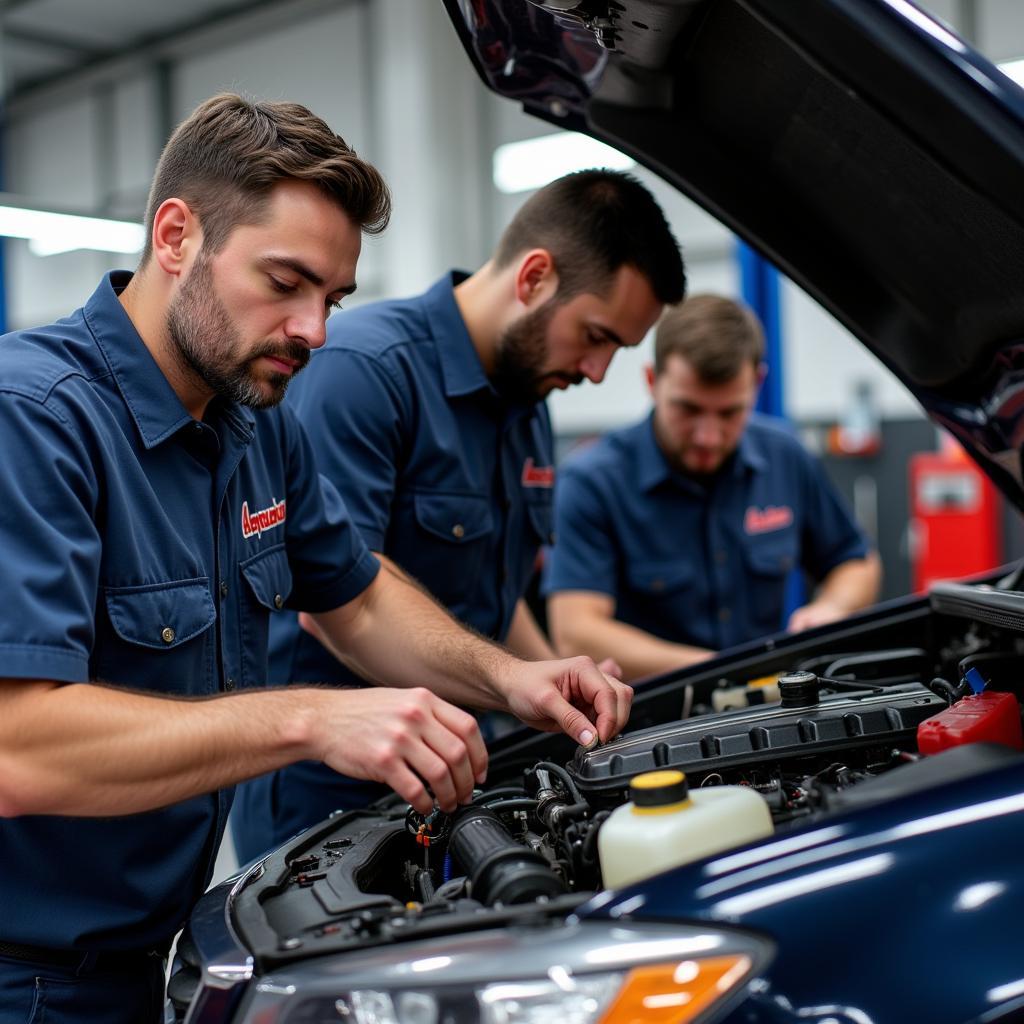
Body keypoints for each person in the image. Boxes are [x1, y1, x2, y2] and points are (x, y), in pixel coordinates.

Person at [0, 94, 632, 1024]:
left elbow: (359, 600)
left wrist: (513, 679)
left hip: (160, 955)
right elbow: (19, 748)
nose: (315, 332)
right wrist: (310, 719)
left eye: (331, 298)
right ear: (176, 236)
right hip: (29, 983)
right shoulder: (35, 419)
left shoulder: (254, 425)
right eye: (285, 282)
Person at [230, 168, 686, 862]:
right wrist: (507, 680)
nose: (597, 372)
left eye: (616, 350)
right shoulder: (365, 371)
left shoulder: (527, 402)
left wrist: (564, 685)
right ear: (534, 276)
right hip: (329, 794)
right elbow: (337, 598)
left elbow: (493, 604)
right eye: (596, 336)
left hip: (456, 774)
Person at [545, 293, 881, 681]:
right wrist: (715, 672)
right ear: (652, 381)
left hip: (769, 708)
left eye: (729, 413)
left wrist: (832, 608)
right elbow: (575, 633)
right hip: (651, 722)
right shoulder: (593, 481)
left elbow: (857, 561)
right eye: (688, 409)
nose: (708, 436)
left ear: (757, 384)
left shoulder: (785, 456)